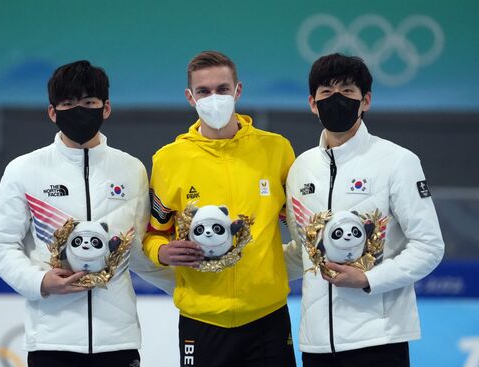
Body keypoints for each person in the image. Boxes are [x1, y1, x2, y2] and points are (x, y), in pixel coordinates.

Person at [0, 60, 175, 367]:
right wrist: (41, 282)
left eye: (89, 102)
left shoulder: (132, 170)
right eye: (69, 103)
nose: (79, 111)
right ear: (52, 112)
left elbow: (139, 251)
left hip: (118, 341)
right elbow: (1, 246)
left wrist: (190, 292)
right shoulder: (24, 170)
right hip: (52, 340)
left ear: (106, 108)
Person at [285, 53, 445, 366]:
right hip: (316, 344)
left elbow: (429, 247)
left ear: (366, 100)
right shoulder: (300, 168)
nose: (337, 100)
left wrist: (369, 280)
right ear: (312, 103)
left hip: (379, 340)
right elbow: (303, 250)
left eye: (347, 92)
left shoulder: (398, 161)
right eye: (327, 93)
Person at [143, 50, 297, 367]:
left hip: (268, 317)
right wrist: (163, 253)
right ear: (190, 97)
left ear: (237, 90)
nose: (214, 98)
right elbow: (153, 235)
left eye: (222, 89)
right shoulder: (168, 159)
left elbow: (301, 226)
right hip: (202, 321)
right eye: (204, 91)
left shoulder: (276, 149)